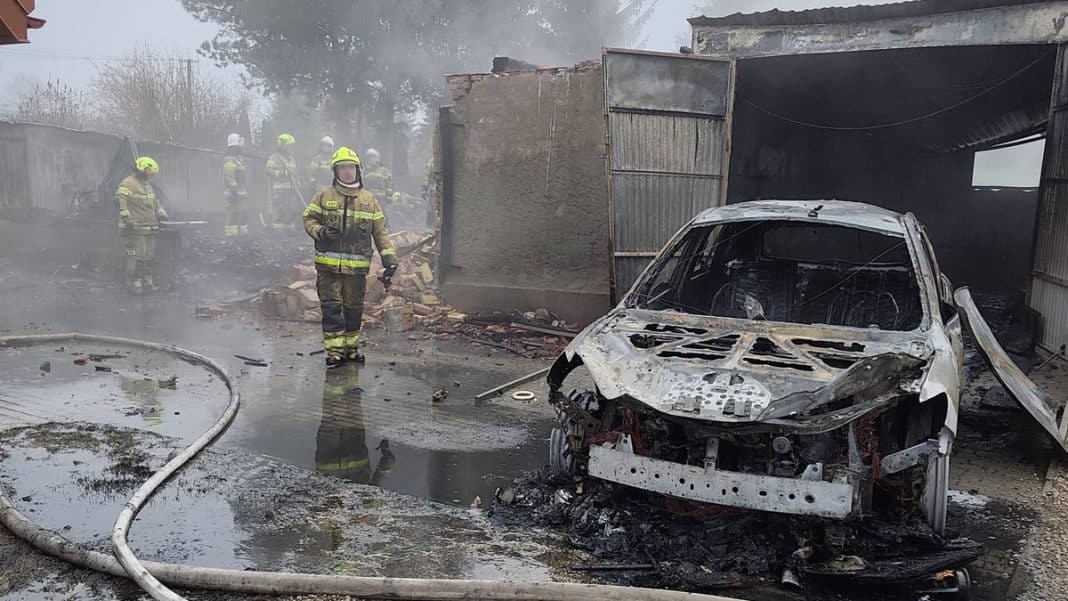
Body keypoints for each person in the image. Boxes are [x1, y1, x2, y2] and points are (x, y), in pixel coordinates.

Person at [303, 146, 398, 366]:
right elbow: (308, 219)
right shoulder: (323, 196)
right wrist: (321, 231)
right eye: (342, 168)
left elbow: (381, 232)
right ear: (335, 171)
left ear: (358, 170)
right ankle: (335, 352)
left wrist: (390, 259)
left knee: (354, 309)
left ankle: (351, 349)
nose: (347, 172)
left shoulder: (369, 200)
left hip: (356, 269)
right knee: (332, 309)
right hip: (328, 269)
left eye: (351, 168)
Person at [115, 156, 167, 294]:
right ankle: (134, 285)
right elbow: (121, 202)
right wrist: (127, 219)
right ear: (143, 170)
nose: (151, 176)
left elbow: (155, 202)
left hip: (149, 228)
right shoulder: (128, 183)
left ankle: (147, 283)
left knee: (149, 257)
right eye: (150, 173)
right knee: (136, 257)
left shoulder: (147, 185)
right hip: (134, 229)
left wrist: (161, 214)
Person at [266, 133, 300, 231]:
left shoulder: (291, 158)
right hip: (279, 190)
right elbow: (268, 170)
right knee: (279, 210)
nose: (291, 148)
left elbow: (294, 172)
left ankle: (290, 230)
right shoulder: (274, 158)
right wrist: (282, 173)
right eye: (289, 146)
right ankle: (278, 231)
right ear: (281, 145)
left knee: (291, 210)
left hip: (291, 190)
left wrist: (297, 182)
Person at [222, 133, 249, 238]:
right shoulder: (230, 159)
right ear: (234, 147)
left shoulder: (239, 159)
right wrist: (234, 192)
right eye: (239, 147)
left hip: (240, 194)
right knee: (232, 215)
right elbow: (229, 178)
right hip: (233, 194)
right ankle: (232, 237)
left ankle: (242, 235)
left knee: (242, 214)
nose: (241, 149)